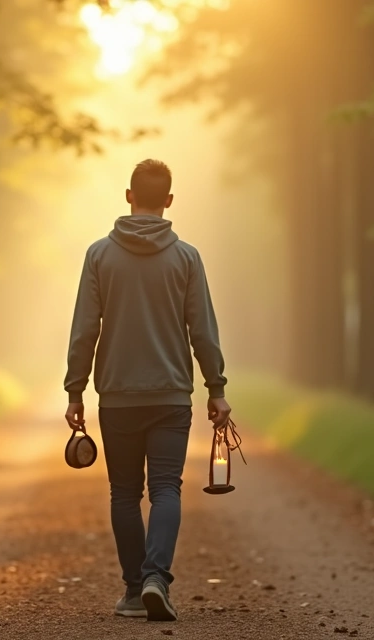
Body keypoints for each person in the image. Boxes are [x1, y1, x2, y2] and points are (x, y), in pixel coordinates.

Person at [63, 159, 230, 622]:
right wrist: (215, 388)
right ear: (170, 201)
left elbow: (84, 330)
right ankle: (158, 577)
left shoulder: (99, 255)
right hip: (172, 395)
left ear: (128, 196)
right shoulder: (186, 257)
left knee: (123, 493)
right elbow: (204, 331)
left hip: (117, 397)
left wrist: (75, 390)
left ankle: (136, 591)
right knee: (165, 490)